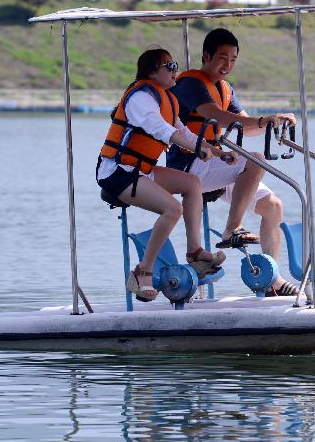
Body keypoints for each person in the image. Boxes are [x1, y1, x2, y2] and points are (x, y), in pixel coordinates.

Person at [167, 28, 300, 297]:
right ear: (206, 56)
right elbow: (219, 118)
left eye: (233, 60)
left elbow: (247, 126)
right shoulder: (190, 84)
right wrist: (265, 120)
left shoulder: (224, 88)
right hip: (189, 164)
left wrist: (275, 121)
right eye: (222, 58)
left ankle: (271, 280)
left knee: (273, 207)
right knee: (256, 160)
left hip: (216, 163)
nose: (227, 65)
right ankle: (231, 230)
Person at [97, 47, 232, 302]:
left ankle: (195, 253)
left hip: (142, 170)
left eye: (175, 65)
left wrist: (216, 152)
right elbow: (160, 130)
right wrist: (196, 148)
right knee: (172, 210)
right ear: (151, 72)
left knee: (193, 183)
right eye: (169, 66)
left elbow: (185, 133)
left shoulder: (167, 99)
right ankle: (142, 273)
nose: (175, 71)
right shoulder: (140, 98)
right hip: (118, 172)